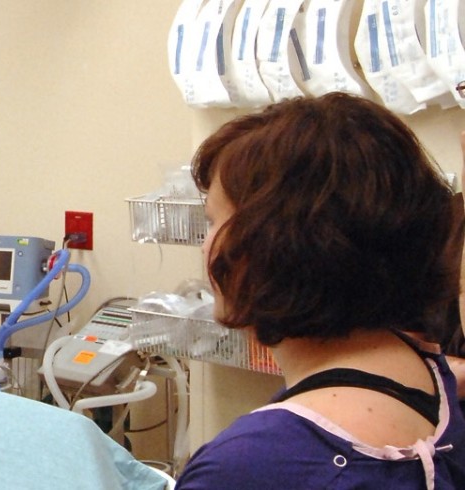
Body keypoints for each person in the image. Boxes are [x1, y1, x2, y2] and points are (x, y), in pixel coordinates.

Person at [174, 93, 465, 488]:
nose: (206, 245)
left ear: (275, 244)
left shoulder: (248, 467)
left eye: (212, 222)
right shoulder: (429, 375)